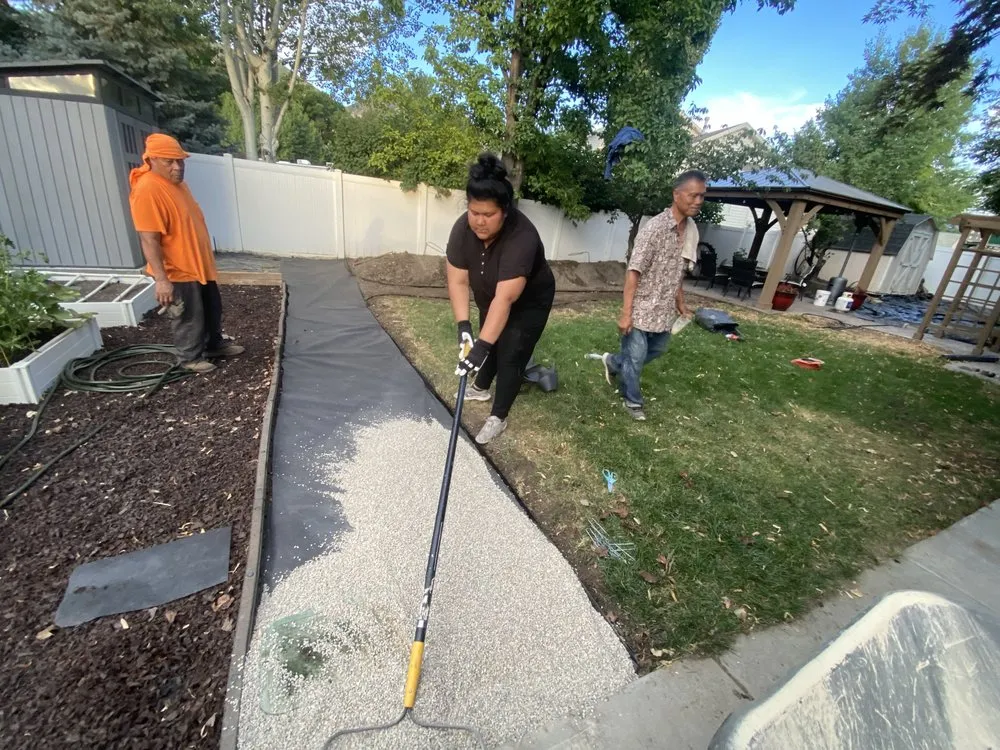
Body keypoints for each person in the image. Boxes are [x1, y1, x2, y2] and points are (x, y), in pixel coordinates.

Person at [446, 153, 556, 445]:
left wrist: (480, 348)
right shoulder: (462, 229)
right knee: (489, 338)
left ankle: (499, 416)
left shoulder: (522, 237)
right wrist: (464, 327)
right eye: (474, 212)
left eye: (488, 215)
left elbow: (505, 300)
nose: (479, 221)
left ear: (505, 211)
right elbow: (457, 279)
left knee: (511, 352)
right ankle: (481, 388)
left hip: (529, 301)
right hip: (492, 295)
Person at [595, 170, 706, 421]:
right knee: (635, 358)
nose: (698, 201)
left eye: (702, 196)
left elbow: (677, 272)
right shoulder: (654, 228)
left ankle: (613, 363)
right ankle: (632, 400)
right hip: (641, 308)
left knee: (657, 350)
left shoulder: (690, 231)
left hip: (663, 310)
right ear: (676, 195)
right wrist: (626, 314)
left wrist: (681, 304)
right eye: (693, 195)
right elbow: (633, 272)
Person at [128, 133, 243, 373]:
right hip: (178, 270)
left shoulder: (178, 185)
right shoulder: (148, 189)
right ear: (151, 160)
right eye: (169, 162)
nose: (177, 167)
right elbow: (149, 239)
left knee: (211, 309)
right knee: (189, 315)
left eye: (180, 161)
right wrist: (162, 280)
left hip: (198, 266)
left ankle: (213, 345)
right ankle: (190, 358)